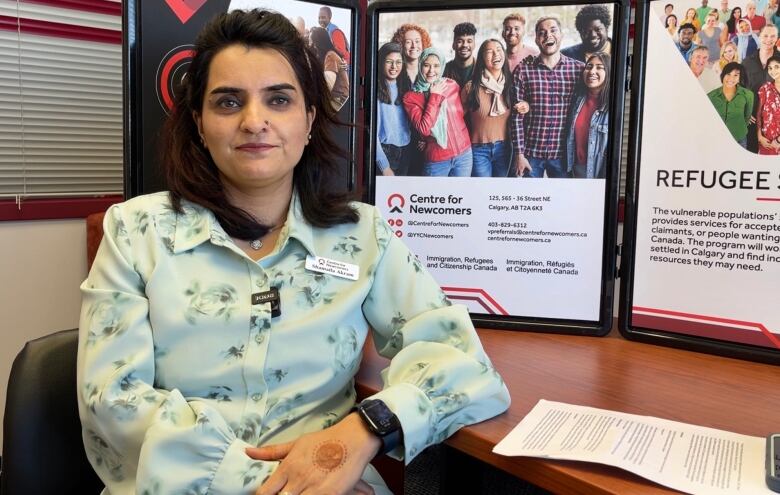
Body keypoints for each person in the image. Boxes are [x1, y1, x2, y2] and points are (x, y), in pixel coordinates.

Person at [77, 10, 510, 495]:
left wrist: (361, 433)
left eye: (278, 99)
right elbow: (110, 401)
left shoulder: (364, 235)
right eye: (227, 102)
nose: (254, 121)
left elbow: (469, 367)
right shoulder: (135, 231)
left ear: (308, 121)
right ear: (199, 123)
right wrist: (275, 485)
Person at [511, 15, 584, 178]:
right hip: (531, 153)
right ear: (536, 39)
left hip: (563, 155)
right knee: (529, 200)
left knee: (561, 201)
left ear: (561, 35)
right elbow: (517, 117)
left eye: (553, 30)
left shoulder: (579, 70)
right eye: (542, 33)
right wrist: (519, 154)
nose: (548, 35)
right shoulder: (523, 70)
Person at [403, 47, 473, 176]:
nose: (431, 71)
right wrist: (434, 96)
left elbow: (460, 113)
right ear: (420, 66)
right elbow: (424, 128)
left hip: (464, 155)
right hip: (437, 160)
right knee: (434, 196)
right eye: (426, 65)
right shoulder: (411, 97)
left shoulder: (451, 85)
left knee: (462, 195)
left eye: (436, 66)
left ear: (442, 67)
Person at [461, 39, 513, 177]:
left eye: (499, 49)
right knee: (482, 192)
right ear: (482, 59)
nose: (496, 54)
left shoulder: (512, 85)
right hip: (479, 150)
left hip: (505, 148)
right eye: (489, 52)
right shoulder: (470, 87)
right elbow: (456, 118)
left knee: (498, 193)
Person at [563, 52, 611, 179]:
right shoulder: (577, 100)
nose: (592, 71)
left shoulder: (612, 106)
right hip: (574, 171)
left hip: (597, 174)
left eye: (599, 67)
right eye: (589, 66)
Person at [375, 42, 411, 176]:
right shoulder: (376, 90)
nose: (394, 67)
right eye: (389, 62)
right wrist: (384, 166)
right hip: (386, 152)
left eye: (398, 62)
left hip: (406, 150)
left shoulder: (406, 86)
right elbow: (373, 135)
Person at [743, 25, 780, 150]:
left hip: (777, 121)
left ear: (777, 38)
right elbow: (741, 90)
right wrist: (745, 112)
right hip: (752, 119)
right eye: (765, 35)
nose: (769, 39)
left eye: (773, 36)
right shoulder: (747, 62)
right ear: (759, 36)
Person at [707, 62, 754, 148]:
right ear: (723, 75)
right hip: (717, 139)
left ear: (740, 78)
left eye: (736, 75)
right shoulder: (711, 96)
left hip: (740, 138)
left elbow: (747, 117)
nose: (731, 78)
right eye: (728, 74)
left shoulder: (748, 95)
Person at [309, 26, 349, 112]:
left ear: (318, 43)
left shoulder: (330, 56)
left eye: (312, 42)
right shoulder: (324, 56)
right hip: (334, 98)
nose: (310, 44)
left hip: (338, 100)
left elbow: (327, 87)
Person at [391, 24, 432, 94]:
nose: (414, 46)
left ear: (423, 44)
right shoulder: (393, 72)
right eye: (408, 42)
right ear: (401, 45)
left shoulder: (431, 72)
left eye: (417, 41)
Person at [756, 54, 780, 153]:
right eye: (770, 68)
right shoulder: (765, 89)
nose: (773, 71)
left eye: (776, 67)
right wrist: (759, 136)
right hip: (766, 144)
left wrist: (778, 140)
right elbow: (759, 115)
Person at [443, 22, 477, 88]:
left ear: (474, 45)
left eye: (469, 41)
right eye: (460, 41)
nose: (465, 45)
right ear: (453, 45)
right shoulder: (444, 70)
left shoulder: (482, 70)